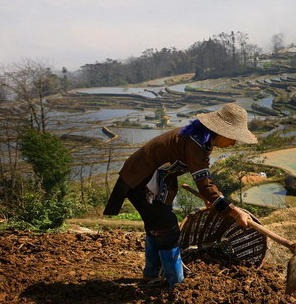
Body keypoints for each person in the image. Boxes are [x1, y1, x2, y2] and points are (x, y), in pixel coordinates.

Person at [103, 103, 257, 288]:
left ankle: (151, 274)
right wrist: (234, 212)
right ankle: (176, 285)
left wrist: (211, 197)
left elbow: (204, 177)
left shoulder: (199, 139)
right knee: (168, 231)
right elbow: (205, 185)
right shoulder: (195, 143)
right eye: (233, 138)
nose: (233, 143)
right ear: (221, 132)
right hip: (141, 181)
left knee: (157, 226)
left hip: (155, 181)